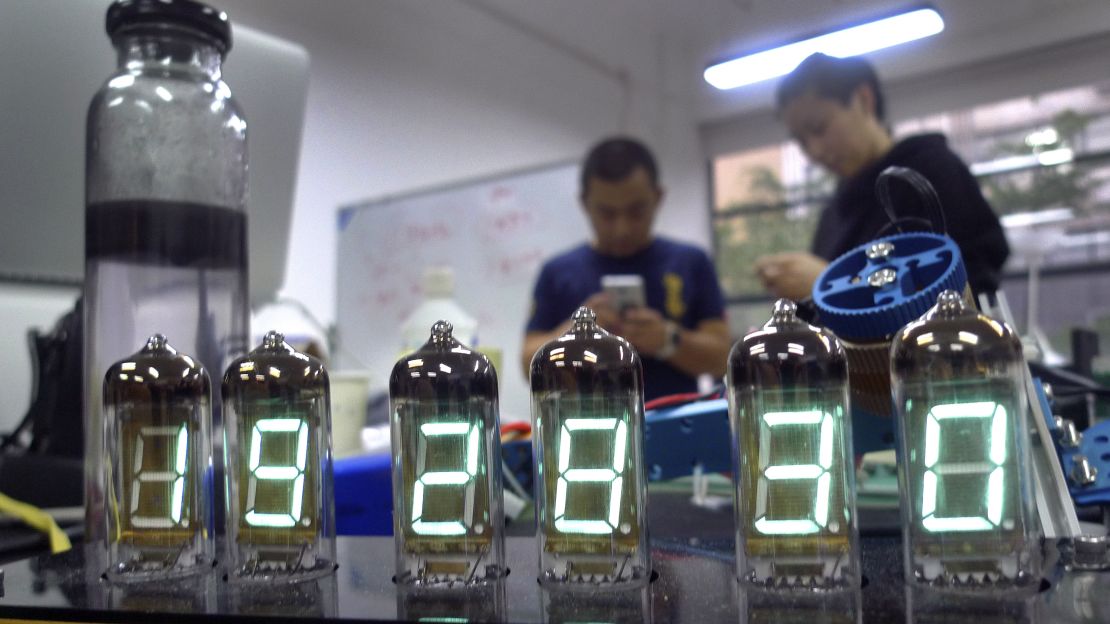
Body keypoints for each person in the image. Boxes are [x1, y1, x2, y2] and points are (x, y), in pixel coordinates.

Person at [756, 53, 1009, 301]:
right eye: (801, 141)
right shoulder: (835, 213)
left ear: (864, 100)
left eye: (819, 128)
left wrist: (833, 285)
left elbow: (970, 286)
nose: (814, 151)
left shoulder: (930, 175)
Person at [521, 137, 731, 400]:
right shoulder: (557, 272)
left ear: (658, 198)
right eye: (607, 214)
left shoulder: (691, 262)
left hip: (676, 430)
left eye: (636, 211)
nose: (622, 228)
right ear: (585, 203)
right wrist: (574, 336)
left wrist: (668, 340)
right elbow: (528, 365)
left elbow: (723, 358)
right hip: (585, 430)